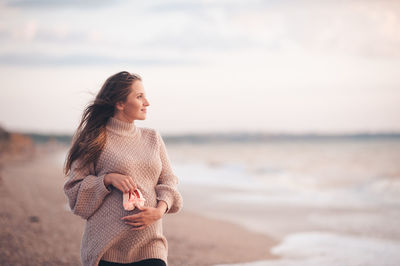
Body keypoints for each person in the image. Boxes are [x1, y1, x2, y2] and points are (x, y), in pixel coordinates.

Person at [63, 71, 183, 266]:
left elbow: (169, 181)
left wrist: (159, 211)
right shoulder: (93, 140)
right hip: (107, 249)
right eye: (139, 96)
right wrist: (106, 180)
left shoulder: (152, 138)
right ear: (120, 104)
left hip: (151, 246)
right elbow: (74, 191)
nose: (147, 102)